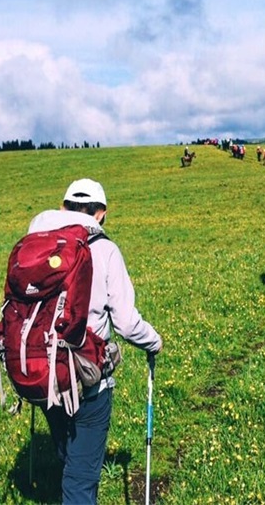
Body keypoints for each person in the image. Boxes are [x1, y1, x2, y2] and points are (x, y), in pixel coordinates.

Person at [28, 178, 163, 504]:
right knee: (80, 479)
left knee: (67, 439)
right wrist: (154, 341)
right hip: (85, 374)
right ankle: (75, 475)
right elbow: (127, 324)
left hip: (36, 368)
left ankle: (69, 460)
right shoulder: (104, 249)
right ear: (100, 213)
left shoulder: (34, 240)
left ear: (62, 206)